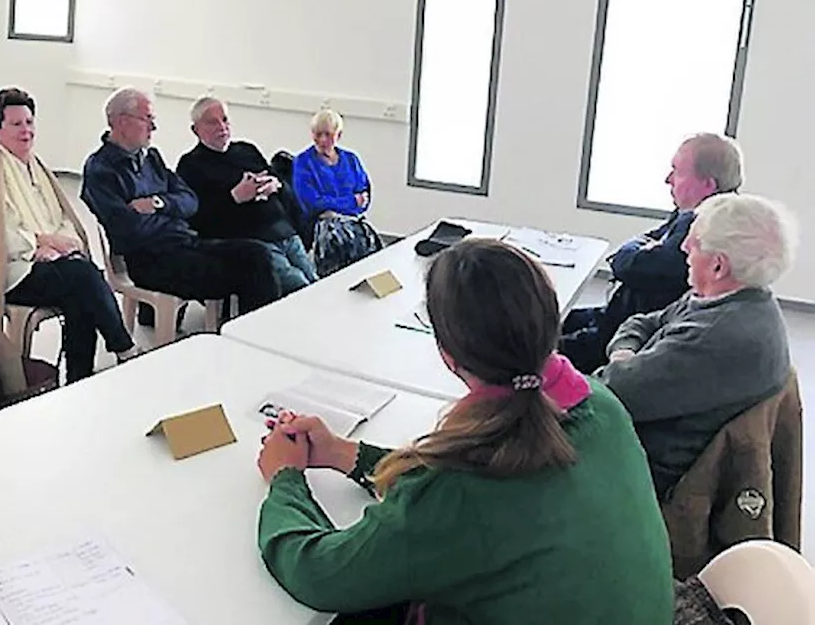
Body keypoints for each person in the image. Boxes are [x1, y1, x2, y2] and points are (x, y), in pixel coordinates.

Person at [255, 238, 672, 623]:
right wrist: (343, 453)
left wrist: (284, 478)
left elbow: (320, 574)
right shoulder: (599, 405)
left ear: (446, 354)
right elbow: (451, 489)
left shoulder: (457, 487)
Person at [598, 193, 795, 500]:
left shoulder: (716, 335)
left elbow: (608, 393)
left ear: (718, 266)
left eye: (695, 240)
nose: (683, 247)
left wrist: (619, 365)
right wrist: (624, 354)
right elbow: (643, 322)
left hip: (639, 470)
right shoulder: (730, 298)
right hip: (644, 430)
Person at [0, 88, 139, 390]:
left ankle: (79, 380)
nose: (25, 130)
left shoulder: (36, 166)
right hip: (12, 272)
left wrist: (58, 244)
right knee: (83, 276)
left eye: (29, 122)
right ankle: (125, 349)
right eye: (15, 124)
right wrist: (40, 244)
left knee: (81, 294)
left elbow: (62, 217)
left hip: (52, 263)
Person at [81, 87, 281, 316]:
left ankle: (248, 336)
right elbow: (128, 229)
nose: (153, 127)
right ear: (123, 122)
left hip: (183, 244)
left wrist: (159, 204)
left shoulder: (151, 158)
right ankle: (245, 339)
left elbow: (190, 201)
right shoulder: (100, 171)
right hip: (150, 260)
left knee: (258, 254)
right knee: (249, 273)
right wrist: (170, 215)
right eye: (147, 119)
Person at [560, 133, 743, 372]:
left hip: (624, 338)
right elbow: (638, 248)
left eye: (677, 171)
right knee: (552, 318)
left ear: (707, 185)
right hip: (618, 317)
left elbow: (629, 263)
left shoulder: (705, 229)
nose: (668, 179)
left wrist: (641, 250)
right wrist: (640, 249)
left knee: (530, 344)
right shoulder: (692, 213)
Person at [175, 96, 315, 295]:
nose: (222, 127)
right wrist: (235, 197)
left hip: (285, 233)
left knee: (317, 284)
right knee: (300, 287)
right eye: (212, 122)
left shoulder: (247, 150)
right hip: (251, 240)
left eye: (224, 120)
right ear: (196, 129)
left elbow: (279, 181)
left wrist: (274, 185)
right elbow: (197, 218)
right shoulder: (191, 165)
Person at [291, 109, 381, 277]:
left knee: (371, 246)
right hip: (321, 225)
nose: (322, 140)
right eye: (318, 134)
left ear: (338, 135)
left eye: (328, 134)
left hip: (353, 221)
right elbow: (313, 203)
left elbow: (364, 197)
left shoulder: (351, 159)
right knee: (339, 244)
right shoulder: (303, 162)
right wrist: (351, 202)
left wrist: (339, 205)